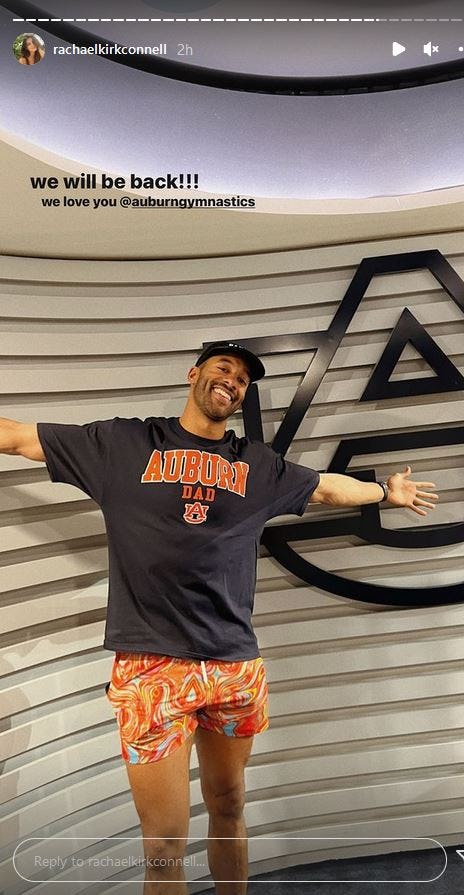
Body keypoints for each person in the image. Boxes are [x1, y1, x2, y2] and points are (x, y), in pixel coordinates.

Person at [0, 340, 438, 894]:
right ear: (194, 375)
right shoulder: (124, 444)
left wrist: (384, 491)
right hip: (152, 669)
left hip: (233, 666)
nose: (232, 380)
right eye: (222, 368)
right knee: (163, 844)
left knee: (229, 806)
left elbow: (326, 488)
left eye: (242, 379)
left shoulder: (256, 465)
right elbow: (20, 438)